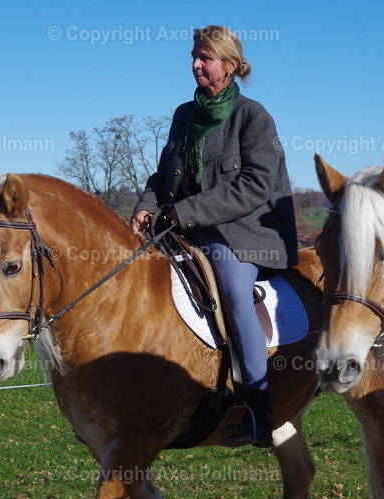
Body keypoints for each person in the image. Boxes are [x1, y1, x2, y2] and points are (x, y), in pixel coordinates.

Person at [133, 25, 297, 448]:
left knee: (234, 292)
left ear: (231, 65)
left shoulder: (254, 116)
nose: (196, 65)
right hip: (180, 226)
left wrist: (185, 212)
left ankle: (259, 407)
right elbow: (162, 174)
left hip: (244, 231)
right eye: (194, 56)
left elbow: (255, 185)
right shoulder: (183, 115)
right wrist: (146, 206)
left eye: (205, 58)